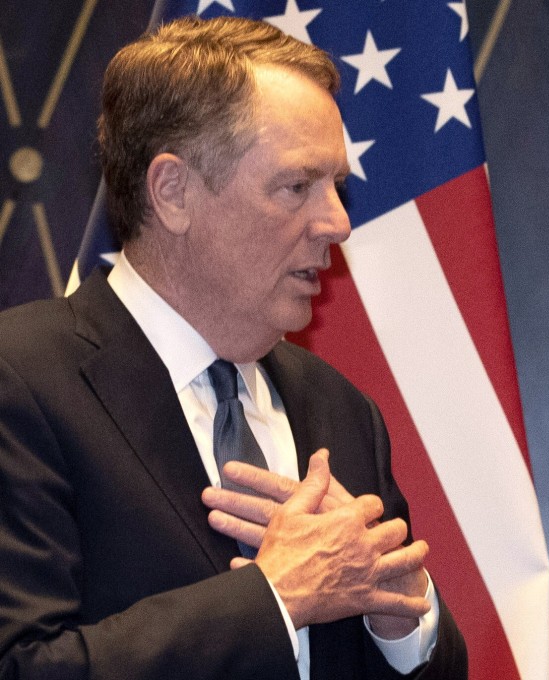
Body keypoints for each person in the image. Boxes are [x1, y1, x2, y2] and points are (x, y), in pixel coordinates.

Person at [0, 16, 466, 680]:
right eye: (297, 186)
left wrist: (403, 619)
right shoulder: (21, 382)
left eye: (337, 186)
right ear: (174, 192)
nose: (338, 221)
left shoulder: (340, 410)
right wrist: (273, 599)